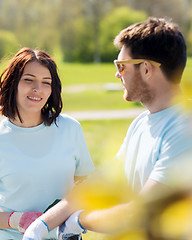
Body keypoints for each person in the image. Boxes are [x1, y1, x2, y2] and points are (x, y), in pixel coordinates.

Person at [22, 17, 192, 240]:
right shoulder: (141, 124)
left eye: (121, 66)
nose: (117, 74)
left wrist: (79, 221)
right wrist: (42, 225)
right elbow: (100, 184)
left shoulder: (184, 129)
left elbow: (140, 213)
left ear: (147, 69)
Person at [0, 47, 95, 240]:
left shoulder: (70, 129)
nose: (38, 89)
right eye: (28, 80)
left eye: (46, 82)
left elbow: (86, 185)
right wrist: (19, 219)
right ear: (13, 83)